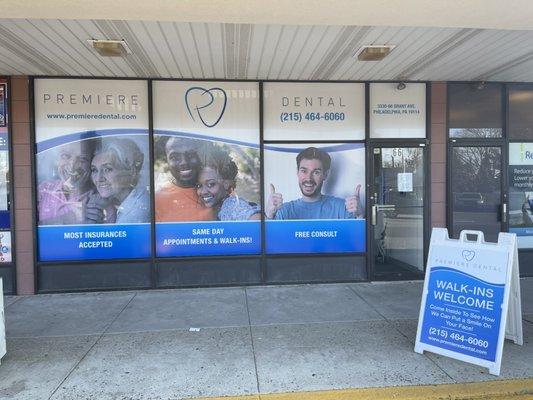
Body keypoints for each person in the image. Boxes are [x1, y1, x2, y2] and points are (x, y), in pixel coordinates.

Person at [266, 147, 362, 220]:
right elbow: (271, 243)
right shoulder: (283, 211)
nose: (309, 178)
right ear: (297, 172)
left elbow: (356, 241)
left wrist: (360, 216)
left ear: (325, 174)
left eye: (316, 172)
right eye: (304, 171)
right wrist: (269, 215)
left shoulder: (342, 208)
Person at [85, 137, 150, 224]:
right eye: (94, 170)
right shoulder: (122, 202)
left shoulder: (136, 214)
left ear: (130, 170)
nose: (98, 178)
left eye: (107, 169)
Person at [155, 137, 215, 222]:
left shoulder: (218, 189)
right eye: (175, 157)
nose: (184, 162)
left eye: (191, 155)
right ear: (167, 160)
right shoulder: (158, 199)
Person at [38, 140, 94, 225]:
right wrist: (66, 219)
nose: (72, 165)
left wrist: (76, 190)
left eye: (82, 159)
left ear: (91, 163)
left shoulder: (97, 197)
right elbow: (28, 225)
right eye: (65, 156)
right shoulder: (44, 189)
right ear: (57, 160)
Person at [195, 147, 260, 221]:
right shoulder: (218, 208)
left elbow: (256, 219)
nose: (203, 191)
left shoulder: (230, 205)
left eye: (211, 184)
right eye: (199, 186)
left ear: (226, 184)